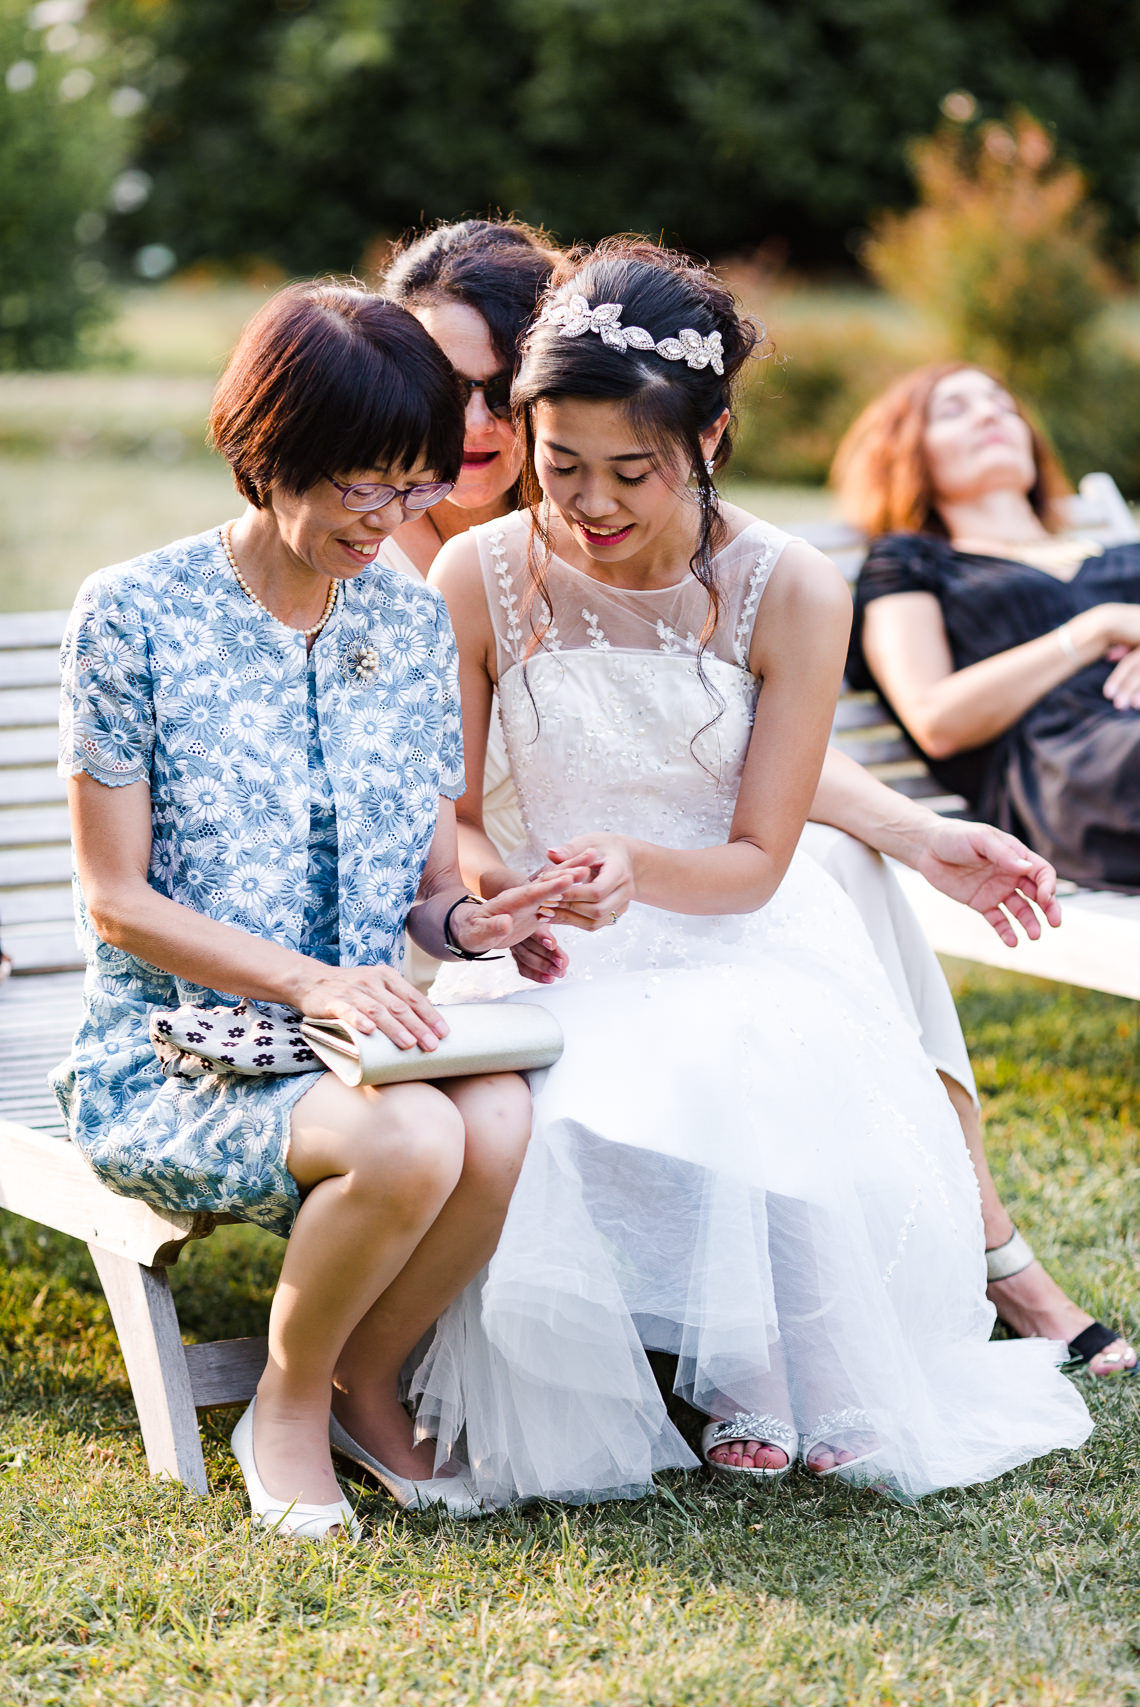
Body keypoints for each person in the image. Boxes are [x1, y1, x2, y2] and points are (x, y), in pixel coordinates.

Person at [382, 221, 1134, 1390]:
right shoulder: (401, 552)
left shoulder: (748, 561)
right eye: (448, 392)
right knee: (811, 910)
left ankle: (957, 1253)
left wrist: (914, 829)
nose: (476, 427)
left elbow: (714, 765)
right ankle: (968, 1264)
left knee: (834, 892)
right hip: (456, 913)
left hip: (668, 884)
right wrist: (495, 891)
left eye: (494, 392)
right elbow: (450, 813)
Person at [51, 281, 588, 1538]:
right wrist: (310, 983)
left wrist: (475, 926)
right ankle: (285, 1406)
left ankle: (363, 1380)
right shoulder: (131, 614)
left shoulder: (407, 617)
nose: (394, 520)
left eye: (415, 487)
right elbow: (114, 899)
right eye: (364, 487)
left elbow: (428, 892)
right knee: (409, 1143)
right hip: (180, 1048)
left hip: (359, 1037)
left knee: (499, 1121)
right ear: (270, 448)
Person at [835, 362, 1140, 893]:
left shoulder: (1125, 555)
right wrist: (1097, 630)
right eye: (955, 410)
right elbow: (934, 717)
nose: (987, 415)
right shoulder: (910, 563)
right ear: (909, 452)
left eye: (1002, 406)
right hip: (1075, 774)